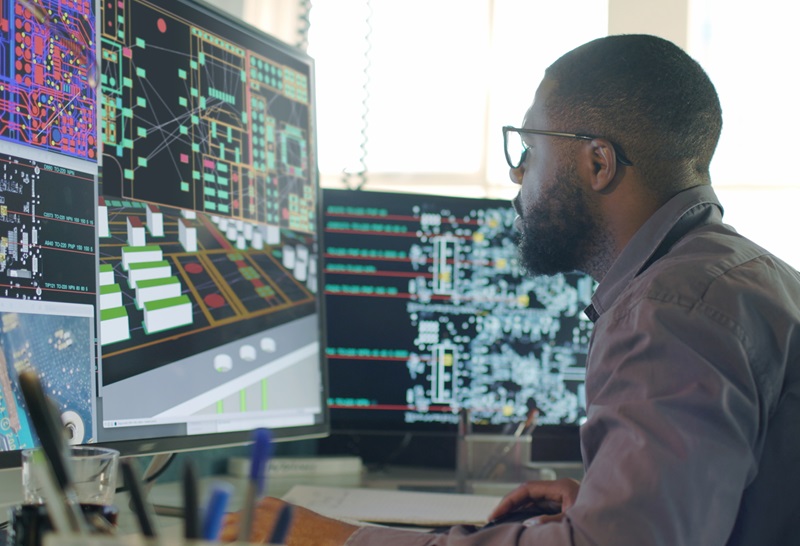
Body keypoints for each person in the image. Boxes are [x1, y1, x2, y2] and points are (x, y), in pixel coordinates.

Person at [221, 34, 800, 545]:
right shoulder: (739, 274)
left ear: (598, 163)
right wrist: (612, 503)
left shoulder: (670, 311)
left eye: (529, 150)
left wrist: (335, 541)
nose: (518, 175)